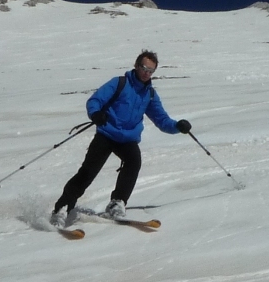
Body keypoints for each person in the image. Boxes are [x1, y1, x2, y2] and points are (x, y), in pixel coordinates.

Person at [50, 50, 191, 226]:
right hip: (107, 134)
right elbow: (95, 100)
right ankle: (61, 208)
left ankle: (117, 203)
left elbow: (162, 120)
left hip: (128, 140)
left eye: (151, 71)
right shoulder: (120, 83)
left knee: (134, 162)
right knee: (88, 172)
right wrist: (96, 114)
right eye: (144, 68)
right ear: (136, 66)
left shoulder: (150, 94)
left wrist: (178, 126)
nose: (147, 73)